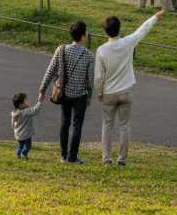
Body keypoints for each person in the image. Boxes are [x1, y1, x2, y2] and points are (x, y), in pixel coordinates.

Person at [95, 11, 164, 167]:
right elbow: (142, 30)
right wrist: (154, 17)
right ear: (119, 29)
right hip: (126, 91)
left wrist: (99, 92)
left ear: (105, 31)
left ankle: (107, 159)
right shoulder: (128, 42)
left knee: (107, 125)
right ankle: (122, 159)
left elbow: (99, 76)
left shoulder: (102, 50)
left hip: (109, 92)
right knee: (124, 127)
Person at [39, 20, 95, 164]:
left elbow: (50, 71)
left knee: (65, 123)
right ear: (84, 35)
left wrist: (42, 90)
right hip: (80, 95)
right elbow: (90, 79)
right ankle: (72, 157)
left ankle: (63, 156)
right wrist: (89, 96)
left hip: (64, 94)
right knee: (77, 126)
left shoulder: (61, 49)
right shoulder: (89, 55)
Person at [11, 92, 42, 160]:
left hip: (18, 134)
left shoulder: (15, 114)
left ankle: (18, 155)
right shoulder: (25, 113)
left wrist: (15, 129)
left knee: (20, 145)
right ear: (21, 105)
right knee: (27, 145)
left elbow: (13, 123)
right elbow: (35, 110)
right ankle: (23, 154)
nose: (28, 101)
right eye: (26, 100)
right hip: (26, 134)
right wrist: (40, 102)